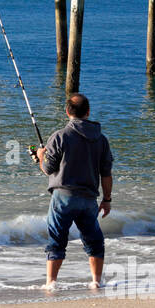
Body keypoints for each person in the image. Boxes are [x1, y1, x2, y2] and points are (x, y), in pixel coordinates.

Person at [30, 93, 113, 291]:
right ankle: (96, 281)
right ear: (88, 112)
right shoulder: (101, 140)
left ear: (67, 112)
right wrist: (107, 199)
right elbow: (106, 174)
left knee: (57, 240)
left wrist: (41, 156)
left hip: (63, 197)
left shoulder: (60, 136)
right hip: (88, 198)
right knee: (94, 241)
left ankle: (51, 283)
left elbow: (48, 169)